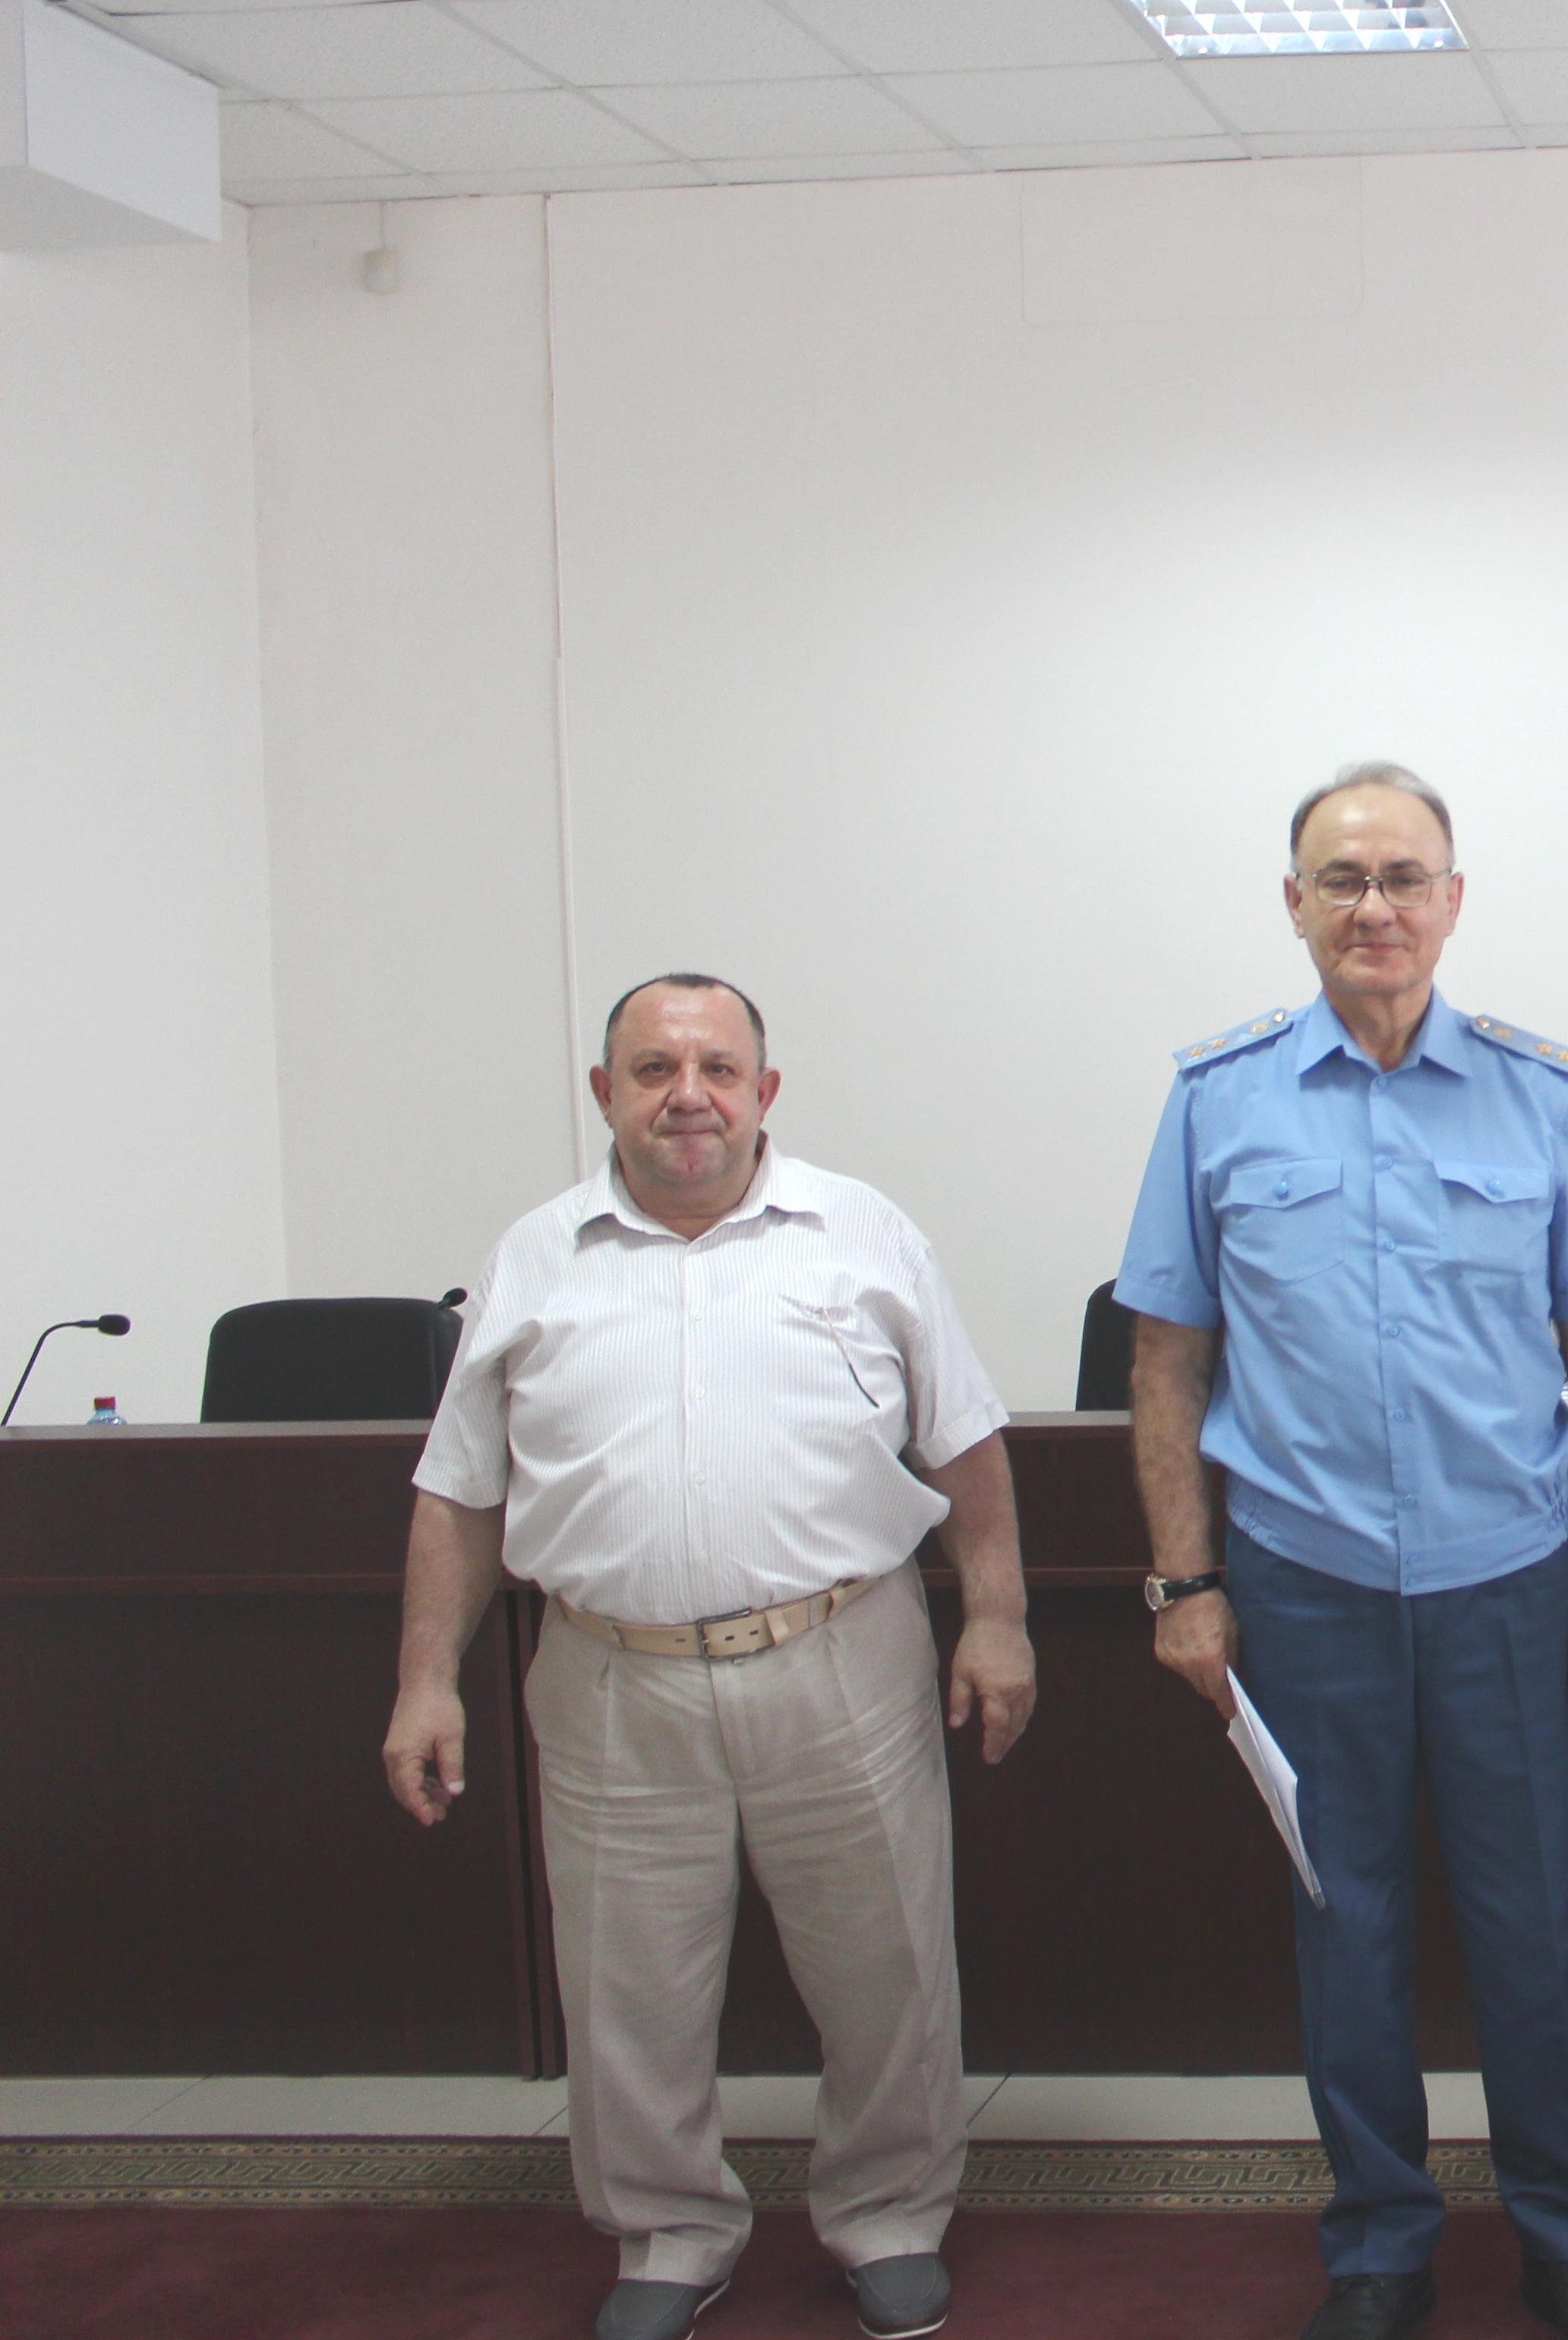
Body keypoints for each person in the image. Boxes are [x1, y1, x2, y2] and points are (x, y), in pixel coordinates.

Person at [383, 974, 1036, 2340]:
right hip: (610, 1675)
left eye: (718, 1068)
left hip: (841, 1657)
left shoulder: (862, 1231)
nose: (690, 1095)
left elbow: (964, 1439)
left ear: (764, 1091)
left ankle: (889, 2214)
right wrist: (425, 1682)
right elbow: (459, 1489)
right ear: (605, 1093)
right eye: (655, 1069)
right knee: (627, 1985)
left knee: (887, 1968)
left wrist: (998, 1617)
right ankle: (667, 2231)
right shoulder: (536, 1254)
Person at [1114, 762, 1568, 2340]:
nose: (1375, 907)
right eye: (1342, 879)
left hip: (1507, 1580)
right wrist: (1186, 1583)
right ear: (1293, 904)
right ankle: (1377, 2246)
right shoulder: (1218, 1098)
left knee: (1533, 1929)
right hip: (1305, 1585)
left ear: (1454, 901)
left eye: (1404, 877)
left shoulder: (1542, 1096)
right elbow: (1167, 1362)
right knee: (1344, 1932)